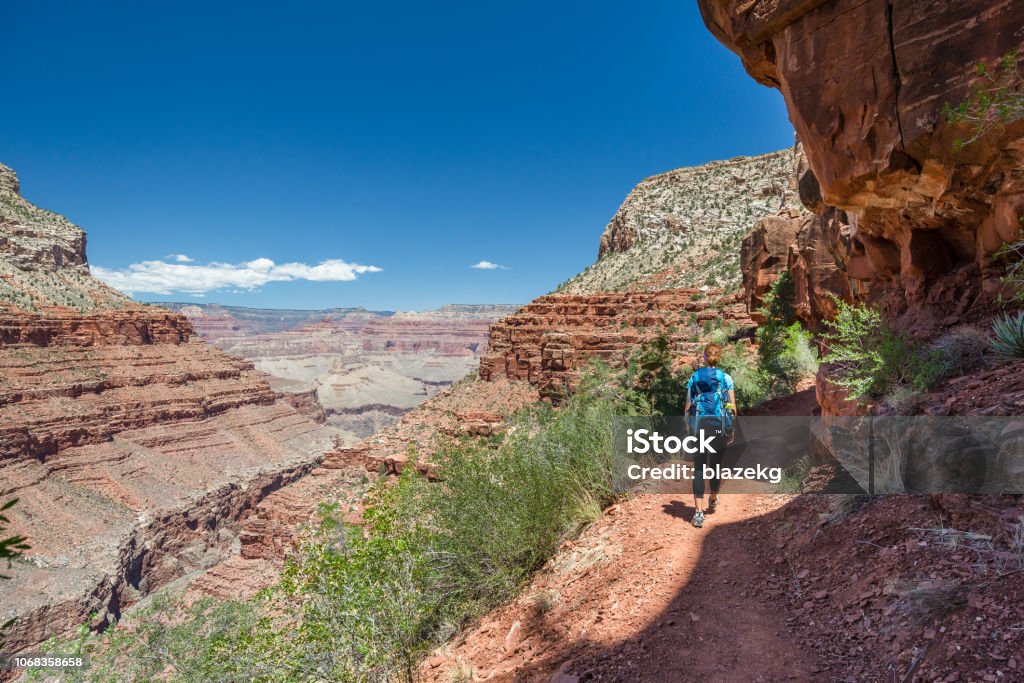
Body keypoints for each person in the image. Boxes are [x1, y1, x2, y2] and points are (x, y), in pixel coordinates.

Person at [684, 343, 736, 529]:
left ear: (704, 357)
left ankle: (698, 513)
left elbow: (688, 406)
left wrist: (689, 427)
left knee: (699, 467)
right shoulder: (726, 378)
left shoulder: (694, 377)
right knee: (715, 465)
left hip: (700, 427)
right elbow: (732, 407)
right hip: (718, 426)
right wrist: (730, 428)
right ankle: (713, 498)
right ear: (719, 357)